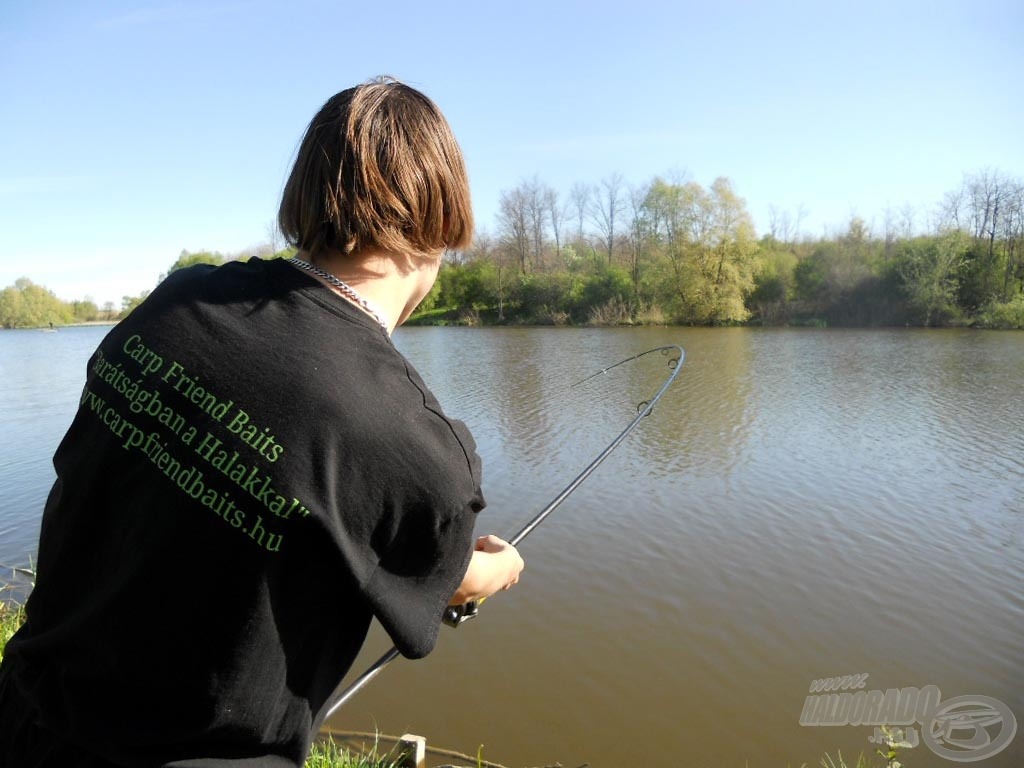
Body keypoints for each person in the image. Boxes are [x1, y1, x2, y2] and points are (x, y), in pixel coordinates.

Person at [0, 76, 524, 768]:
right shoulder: (419, 448)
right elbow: (452, 577)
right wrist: (503, 567)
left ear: (307, 196)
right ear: (443, 221)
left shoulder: (175, 304)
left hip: (19, 720)